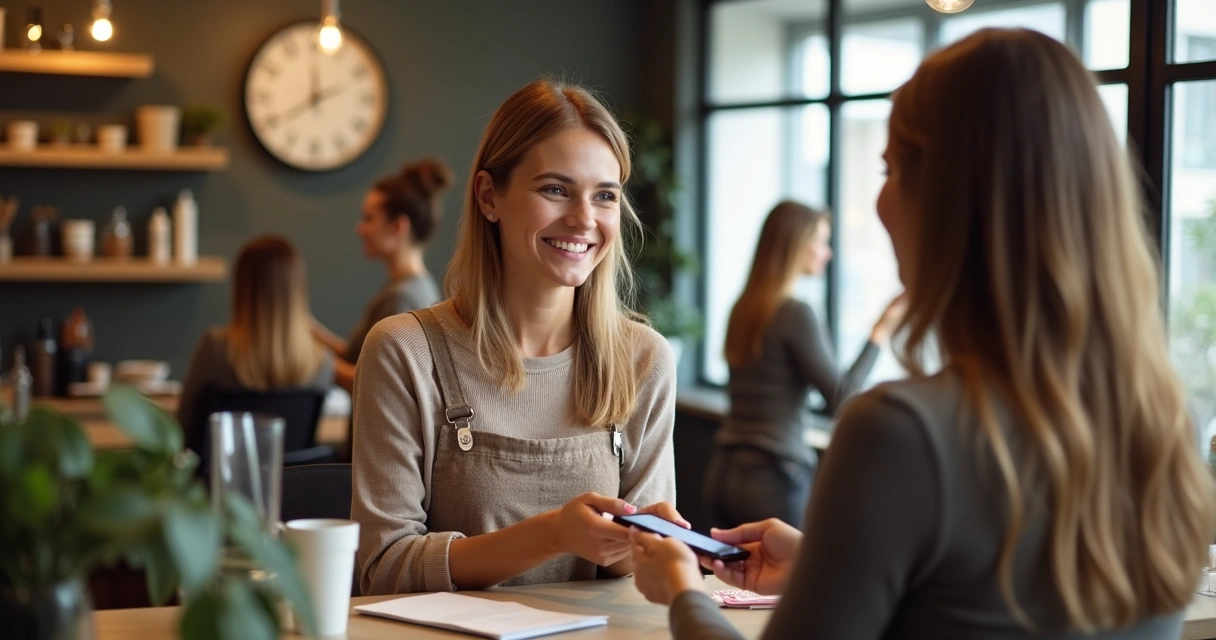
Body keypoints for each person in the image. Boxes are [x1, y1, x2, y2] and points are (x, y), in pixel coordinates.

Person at [629, 28, 1215, 639]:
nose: (878, 201)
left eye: (888, 168)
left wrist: (683, 591)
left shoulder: (900, 434)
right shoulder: (1167, 424)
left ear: (946, 198)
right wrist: (830, 570)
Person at [350, 78, 682, 596]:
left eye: (604, 196)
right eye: (555, 190)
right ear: (489, 197)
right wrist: (552, 535)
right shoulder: (404, 351)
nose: (584, 219)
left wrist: (640, 543)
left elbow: (634, 572)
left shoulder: (644, 359)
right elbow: (383, 567)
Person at [707, 201, 905, 529]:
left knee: (729, 564)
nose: (827, 253)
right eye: (821, 242)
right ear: (797, 245)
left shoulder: (743, 308)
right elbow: (842, 397)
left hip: (724, 472)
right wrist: (879, 332)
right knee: (783, 565)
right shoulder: (795, 312)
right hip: (772, 479)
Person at [177, 235, 334, 458]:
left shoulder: (215, 348)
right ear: (297, 289)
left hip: (220, 480)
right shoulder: (322, 360)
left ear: (242, 287)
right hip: (294, 481)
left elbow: (182, 431)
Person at [312, 158, 452, 392]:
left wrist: (314, 362)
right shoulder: (416, 286)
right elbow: (355, 356)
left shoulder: (401, 298)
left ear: (398, 226)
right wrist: (310, 330)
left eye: (369, 218)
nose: (360, 229)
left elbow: (376, 383)